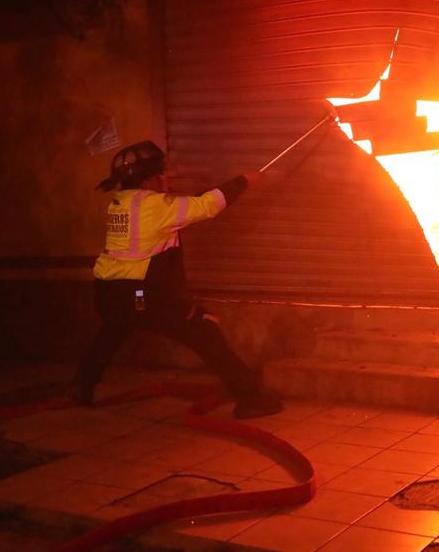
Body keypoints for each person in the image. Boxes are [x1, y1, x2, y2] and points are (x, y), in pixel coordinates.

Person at [72, 140, 283, 419]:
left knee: (114, 329)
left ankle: (81, 387)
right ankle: (252, 398)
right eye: (161, 173)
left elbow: (184, 207)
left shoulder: (121, 203)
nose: (167, 177)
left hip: (111, 295)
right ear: (147, 180)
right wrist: (245, 180)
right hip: (139, 297)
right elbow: (207, 206)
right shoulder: (156, 206)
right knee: (204, 331)